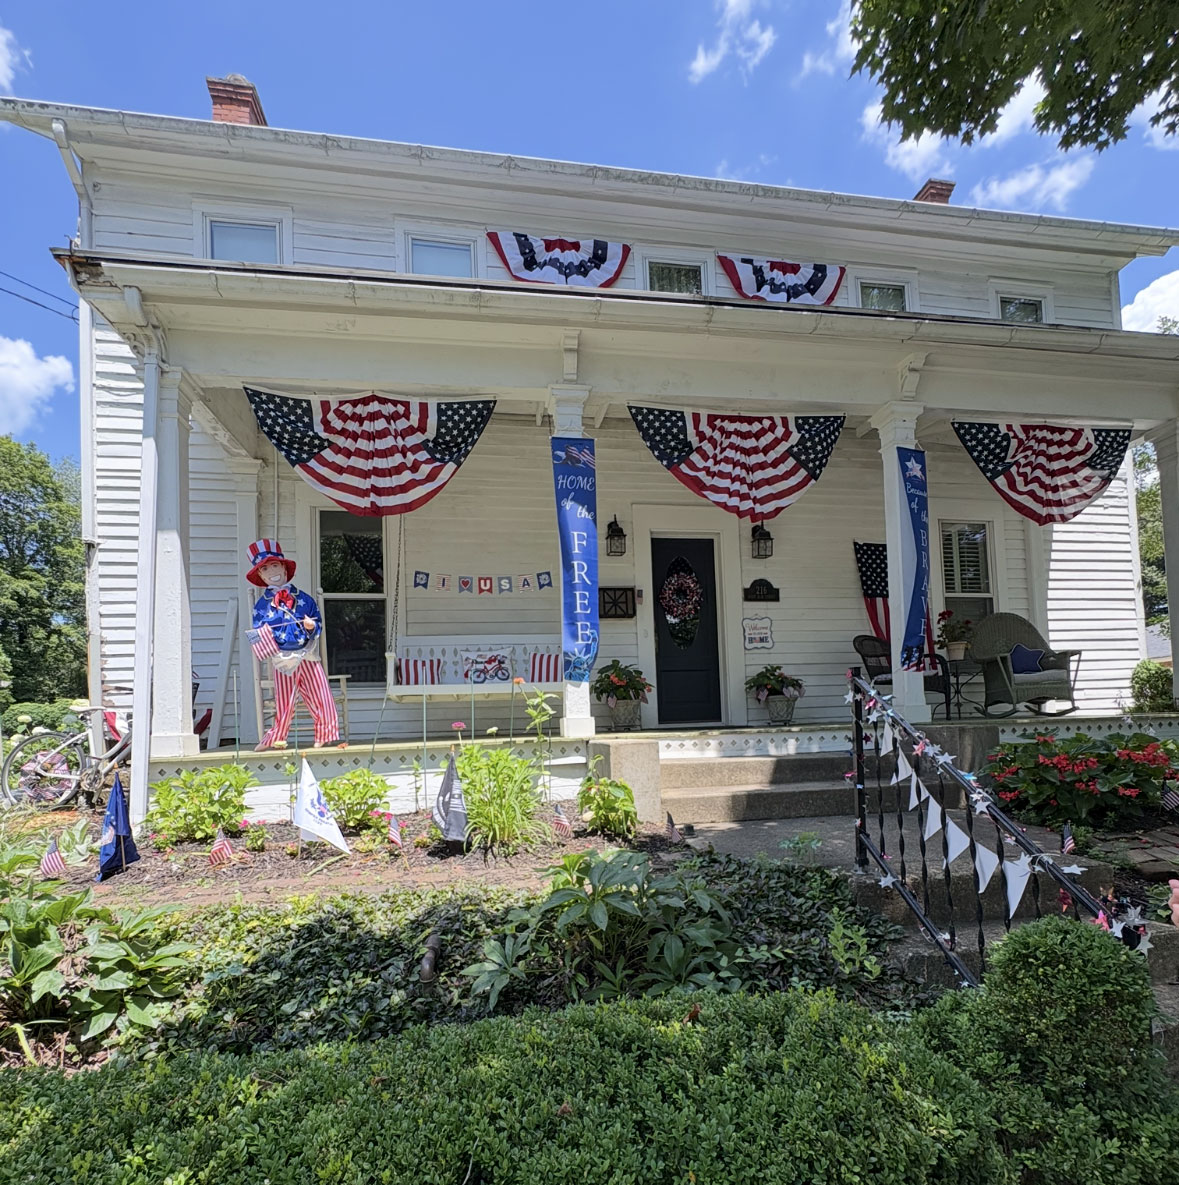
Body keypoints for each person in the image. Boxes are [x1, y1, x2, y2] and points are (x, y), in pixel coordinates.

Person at [246, 539, 344, 750]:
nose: (271, 571)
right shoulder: (261, 606)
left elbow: (317, 622)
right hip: (282, 658)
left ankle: (325, 735)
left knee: (321, 694)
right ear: (261, 576)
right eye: (265, 568)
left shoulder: (304, 599)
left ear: (284, 568)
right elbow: (256, 632)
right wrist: (267, 642)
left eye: (275, 565)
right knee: (285, 702)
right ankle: (276, 738)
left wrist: (310, 626)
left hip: (307, 654)